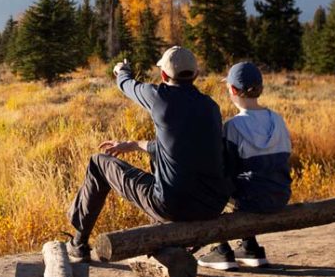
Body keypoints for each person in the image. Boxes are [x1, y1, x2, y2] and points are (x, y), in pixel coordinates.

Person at [66, 46, 231, 262]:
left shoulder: (159, 97)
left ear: (163, 75)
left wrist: (122, 70)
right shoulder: (210, 107)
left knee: (98, 163)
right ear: (196, 74)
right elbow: (179, 146)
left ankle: (78, 244)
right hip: (212, 205)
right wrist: (134, 145)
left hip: (173, 206)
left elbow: (126, 85)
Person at [197, 61, 292, 270]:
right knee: (254, 180)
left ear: (232, 90)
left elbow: (225, 171)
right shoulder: (277, 119)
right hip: (280, 195)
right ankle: (250, 247)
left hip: (251, 201)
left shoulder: (233, 126)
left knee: (217, 190)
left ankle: (221, 250)